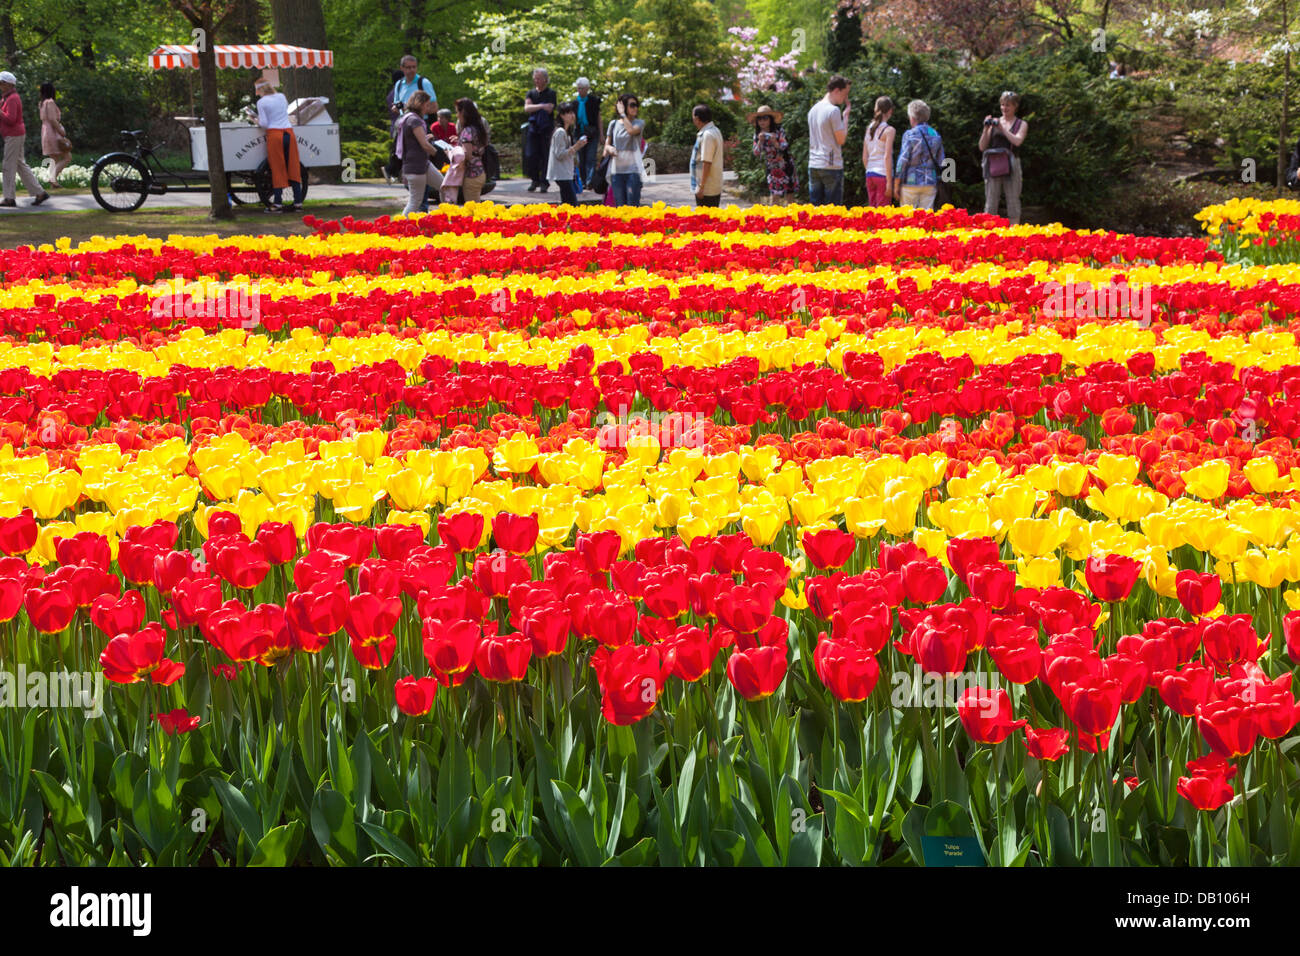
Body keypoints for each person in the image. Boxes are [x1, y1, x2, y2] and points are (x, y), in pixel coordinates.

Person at [255, 79, 305, 212]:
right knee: (293, 166)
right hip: (289, 133)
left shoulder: (261, 102)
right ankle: (298, 202)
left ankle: (278, 203)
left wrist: (256, 120)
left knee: (277, 167)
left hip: (275, 134)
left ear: (260, 90)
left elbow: (265, 123)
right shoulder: (281, 96)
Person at [0, 72, 48, 207]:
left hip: (14, 135)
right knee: (20, 165)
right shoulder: (7, 97)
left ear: (9, 84)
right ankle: (40, 193)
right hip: (14, 134)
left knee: (8, 166)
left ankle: (9, 198)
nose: (0, 85)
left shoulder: (12, 98)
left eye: (1, 83)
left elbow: (11, 119)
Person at [979, 91, 1028, 224]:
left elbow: (1017, 141)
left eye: (1008, 105)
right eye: (1002, 105)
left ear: (1015, 106)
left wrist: (1002, 128)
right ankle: (989, 234)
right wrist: (986, 129)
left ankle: (1014, 232)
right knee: (991, 201)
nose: (1004, 108)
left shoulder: (1021, 124)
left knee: (1013, 200)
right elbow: (982, 146)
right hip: (993, 164)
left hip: (1012, 164)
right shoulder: (994, 123)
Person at [395, 91, 446, 214]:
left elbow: (415, 140)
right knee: (415, 201)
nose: (428, 107)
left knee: (445, 187)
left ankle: (446, 214)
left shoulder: (409, 118)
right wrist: (440, 155)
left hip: (423, 164)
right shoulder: (414, 120)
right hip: (416, 165)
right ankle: (401, 226)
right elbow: (424, 145)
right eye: (427, 104)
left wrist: (426, 138)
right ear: (420, 104)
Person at [807, 75, 850, 205]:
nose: (845, 98)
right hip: (831, 164)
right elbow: (841, 140)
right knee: (832, 212)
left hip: (814, 163)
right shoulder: (834, 110)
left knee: (816, 211)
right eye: (845, 93)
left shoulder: (813, 110)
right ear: (836, 90)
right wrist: (846, 117)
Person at [893, 99, 944, 210]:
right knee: (926, 220)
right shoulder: (935, 134)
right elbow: (941, 161)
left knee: (908, 219)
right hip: (930, 183)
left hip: (910, 183)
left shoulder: (910, 134)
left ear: (912, 117)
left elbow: (902, 160)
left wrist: (896, 183)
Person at [604, 93, 645, 207]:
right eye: (632, 105)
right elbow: (606, 146)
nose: (635, 108)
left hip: (633, 171)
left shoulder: (639, 123)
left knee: (632, 206)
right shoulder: (613, 124)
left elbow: (631, 131)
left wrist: (622, 114)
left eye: (636, 105)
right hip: (616, 171)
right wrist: (610, 148)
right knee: (620, 207)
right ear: (623, 106)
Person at [750, 105, 795, 204]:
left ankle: (792, 217)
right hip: (772, 167)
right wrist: (760, 142)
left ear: (770, 119)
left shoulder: (779, 130)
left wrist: (775, 142)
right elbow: (756, 152)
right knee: (774, 194)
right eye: (759, 119)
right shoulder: (757, 134)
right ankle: (774, 217)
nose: (762, 121)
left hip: (785, 164)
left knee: (789, 194)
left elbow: (785, 146)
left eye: (765, 118)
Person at [523, 68, 557, 192]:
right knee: (531, 155)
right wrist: (542, 106)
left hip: (546, 129)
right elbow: (527, 108)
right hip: (533, 128)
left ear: (545, 80)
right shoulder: (530, 93)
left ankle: (544, 182)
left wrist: (535, 107)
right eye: (535, 78)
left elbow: (550, 109)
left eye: (539, 78)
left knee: (545, 155)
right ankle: (534, 179)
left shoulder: (551, 93)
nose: (536, 81)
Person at [861, 95, 895, 207]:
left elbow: (864, 157)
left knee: (872, 213)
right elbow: (887, 157)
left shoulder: (868, 129)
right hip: (882, 174)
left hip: (870, 173)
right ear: (890, 111)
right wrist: (889, 183)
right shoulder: (889, 130)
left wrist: (870, 169)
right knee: (883, 214)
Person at [548, 102, 585, 205]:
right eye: (568, 113)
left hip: (565, 173)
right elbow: (559, 154)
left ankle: (565, 221)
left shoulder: (566, 132)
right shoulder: (560, 132)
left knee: (567, 203)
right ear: (561, 115)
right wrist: (576, 147)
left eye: (573, 112)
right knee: (571, 204)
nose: (572, 115)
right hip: (562, 174)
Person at [456, 96, 490, 203]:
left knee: (473, 211)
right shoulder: (477, 128)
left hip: (472, 175)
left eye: (457, 112)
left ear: (464, 113)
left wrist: (451, 153)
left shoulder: (467, 131)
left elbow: (467, 155)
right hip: (480, 172)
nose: (457, 115)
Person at [690, 104, 724, 208]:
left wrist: (701, 187)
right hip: (711, 186)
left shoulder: (707, 135)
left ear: (697, 118)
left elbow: (707, 162)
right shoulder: (714, 130)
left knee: (706, 221)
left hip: (707, 189)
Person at [38, 82, 70, 189]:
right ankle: (52, 178)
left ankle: (54, 183)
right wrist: (61, 131)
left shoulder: (42, 103)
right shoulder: (50, 102)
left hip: (45, 131)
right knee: (67, 157)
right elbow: (52, 119)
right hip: (53, 132)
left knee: (54, 158)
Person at [573, 77, 602, 186]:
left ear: (587, 88)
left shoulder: (594, 101)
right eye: (578, 88)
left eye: (582, 88)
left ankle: (590, 181)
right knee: (581, 158)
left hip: (592, 133)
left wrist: (602, 134)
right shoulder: (574, 103)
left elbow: (599, 118)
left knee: (591, 158)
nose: (580, 90)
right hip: (579, 133)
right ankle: (583, 181)